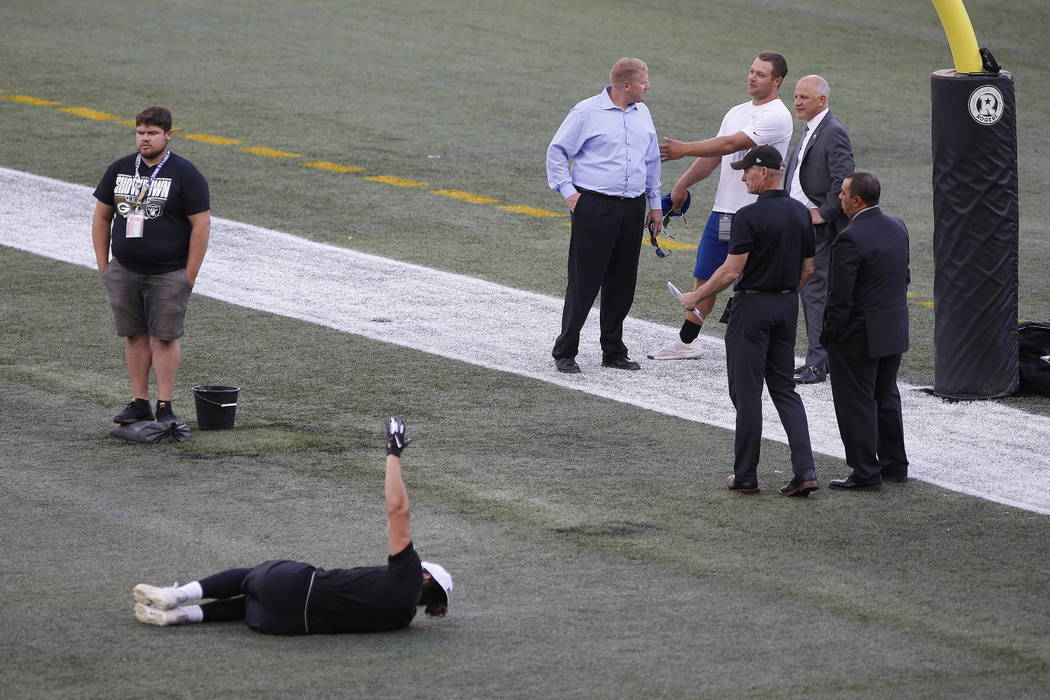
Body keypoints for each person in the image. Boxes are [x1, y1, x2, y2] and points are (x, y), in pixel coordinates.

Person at [132, 418, 454, 633]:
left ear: (423, 575)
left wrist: (392, 453)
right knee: (247, 605)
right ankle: (179, 616)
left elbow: (398, 510)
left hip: (291, 585)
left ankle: (178, 595)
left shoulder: (408, 576)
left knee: (249, 577)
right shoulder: (402, 619)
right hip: (278, 624)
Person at [679, 146, 818, 496]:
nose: (742, 177)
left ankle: (746, 476)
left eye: (746, 171)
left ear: (764, 171)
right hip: (786, 308)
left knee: (748, 393)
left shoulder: (748, 216)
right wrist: (785, 293)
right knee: (785, 389)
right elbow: (809, 270)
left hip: (752, 309)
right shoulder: (801, 214)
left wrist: (695, 298)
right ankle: (805, 471)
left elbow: (731, 270)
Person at [649, 51, 793, 361]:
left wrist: (683, 149)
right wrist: (683, 184)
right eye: (751, 71)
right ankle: (688, 342)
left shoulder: (777, 115)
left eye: (761, 74)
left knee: (751, 281)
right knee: (706, 277)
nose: (752, 77)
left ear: (777, 81)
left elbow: (732, 145)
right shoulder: (737, 111)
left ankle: (757, 344)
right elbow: (715, 156)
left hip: (757, 213)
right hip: (726, 211)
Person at [92, 105, 211, 425]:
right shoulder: (119, 169)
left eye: (152, 133)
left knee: (165, 337)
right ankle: (139, 400)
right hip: (124, 270)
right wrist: (105, 266)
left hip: (169, 272)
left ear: (168, 136)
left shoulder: (185, 173)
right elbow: (102, 217)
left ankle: (165, 404)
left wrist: (190, 274)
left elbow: (201, 224)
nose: (144, 139)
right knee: (134, 335)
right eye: (140, 132)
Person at [546, 57, 663, 374]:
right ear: (626, 85)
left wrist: (655, 204)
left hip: (632, 206)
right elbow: (557, 151)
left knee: (623, 281)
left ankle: (613, 350)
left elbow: (651, 161)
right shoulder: (586, 111)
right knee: (585, 279)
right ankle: (565, 349)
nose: (648, 87)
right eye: (643, 81)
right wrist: (569, 193)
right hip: (594, 205)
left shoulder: (644, 113)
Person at [823, 173, 910, 491]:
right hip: (893, 328)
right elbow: (905, 277)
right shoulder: (898, 226)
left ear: (857, 200)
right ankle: (894, 464)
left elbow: (840, 296)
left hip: (859, 335)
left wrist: (831, 335)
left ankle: (865, 471)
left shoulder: (849, 237)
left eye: (843, 194)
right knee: (885, 396)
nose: (840, 198)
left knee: (855, 401)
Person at [784, 75, 855, 384]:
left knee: (815, 295)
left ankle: (818, 362)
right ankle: (816, 359)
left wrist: (823, 213)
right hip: (801, 225)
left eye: (803, 97)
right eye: (796, 96)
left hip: (820, 231)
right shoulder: (813, 128)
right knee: (809, 293)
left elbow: (844, 180)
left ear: (822, 101)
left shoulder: (833, 132)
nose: (797, 101)